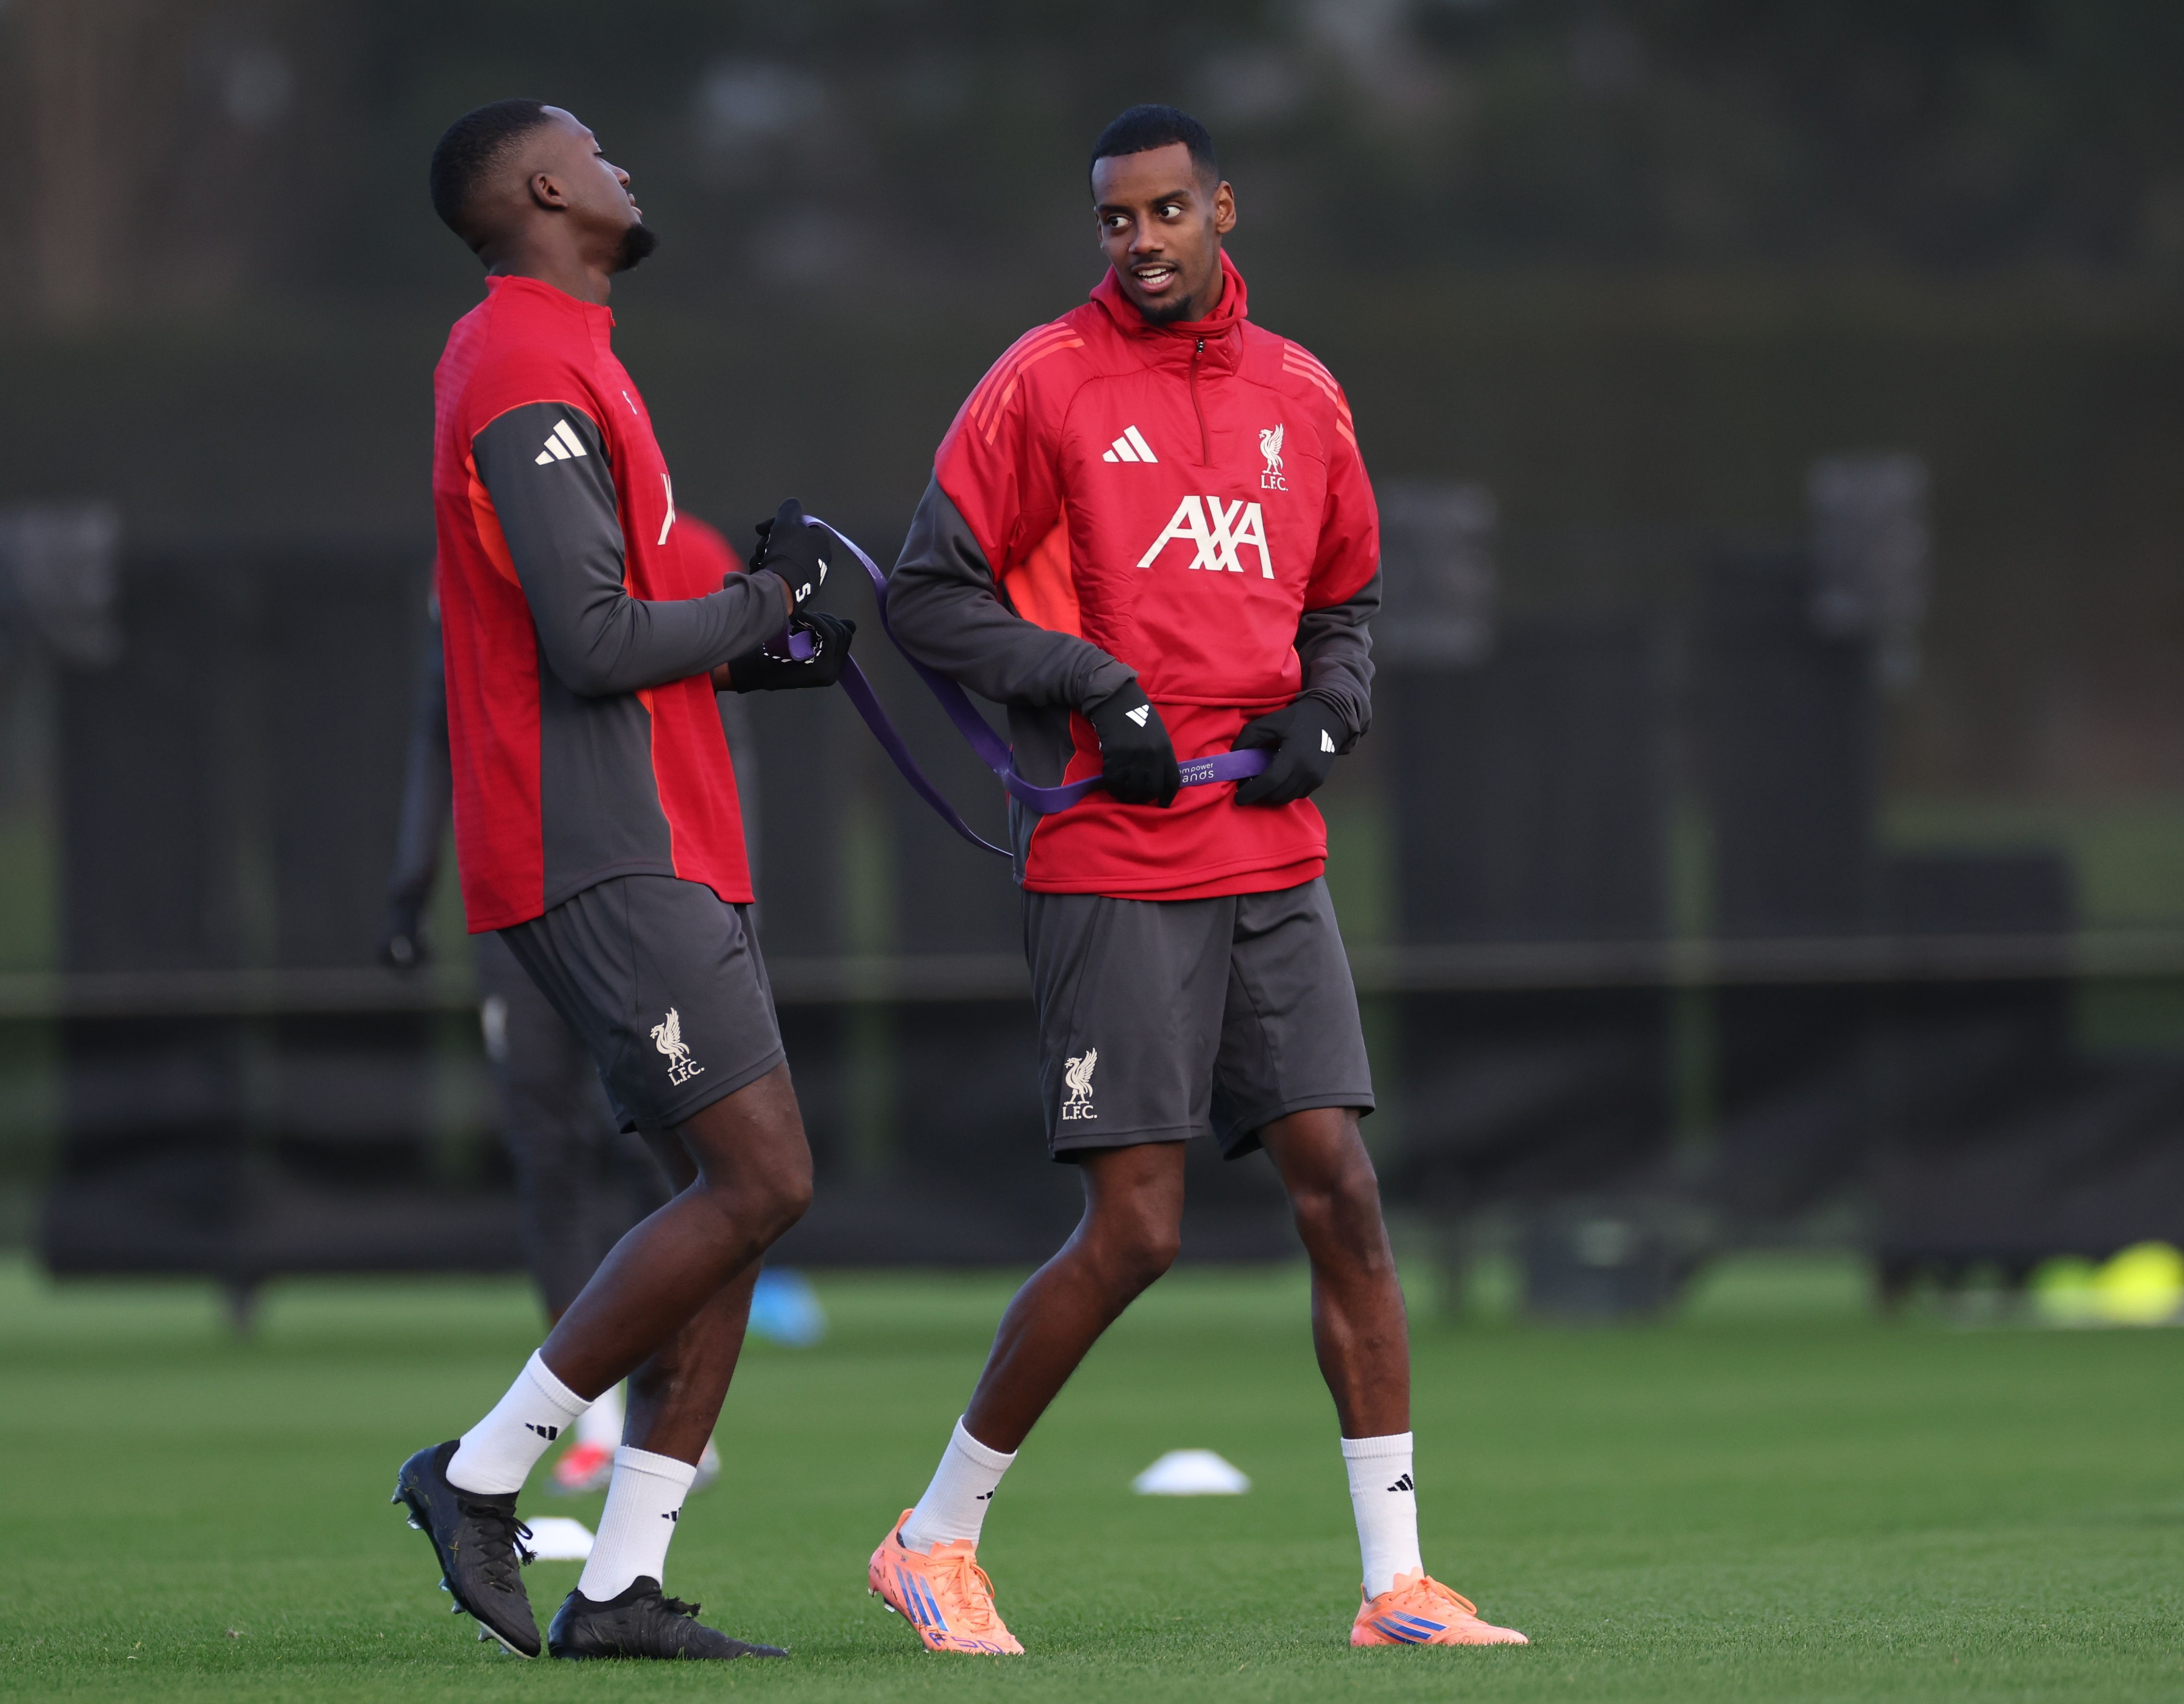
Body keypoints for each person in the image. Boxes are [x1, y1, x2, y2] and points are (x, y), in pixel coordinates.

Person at [866, 105, 1527, 1654]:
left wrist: (1325, 712)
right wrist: (1097, 690)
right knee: (1137, 1233)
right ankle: (930, 1536)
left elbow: (1344, 607)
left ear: (1222, 209)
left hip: (1269, 859)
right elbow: (924, 597)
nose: (1140, 241)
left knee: (1343, 1196)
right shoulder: (1040, 382)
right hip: (1111, 858)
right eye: (1114, 219)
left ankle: (1395, 1589)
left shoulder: (1303, 391)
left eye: (1166, 211)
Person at [390, 99, 853, 1663]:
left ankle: (620, 1587)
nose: (622, 170)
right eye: (595, 152)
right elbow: (588, 645)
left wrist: (760, 636)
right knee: (760, 1181)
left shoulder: (566, 353)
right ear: (538, 190)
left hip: (649, 838)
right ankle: (477, 1470)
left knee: (722, 1203)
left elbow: (618, 626)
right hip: (598, 845)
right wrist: (760, 601)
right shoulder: (521, 358)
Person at [375, 522, 762, 1497]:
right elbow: (435, 718)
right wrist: (410, 884)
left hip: (646, 895)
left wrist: (724, 895)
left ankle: (653, 1409)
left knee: (683, 1160)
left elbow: (718, 739)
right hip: (522, 906)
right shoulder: (470, 569)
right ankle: (581, 1419)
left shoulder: (685, 548)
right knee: (548, 1148)